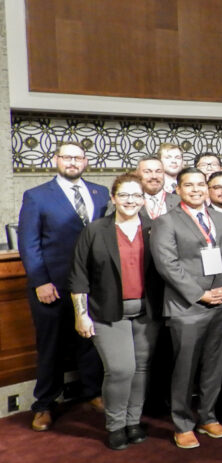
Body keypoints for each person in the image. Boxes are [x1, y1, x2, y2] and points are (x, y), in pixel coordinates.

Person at [19, 141, 108, 432]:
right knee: (51, 346)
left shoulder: (101, 192)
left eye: (78, 158)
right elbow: (29, 244)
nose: (72, 162)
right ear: (56, 159)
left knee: (90, 342)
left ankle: (92, 392)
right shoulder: (37, 196)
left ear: (86, 162)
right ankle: (44, 404)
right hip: (53, 286)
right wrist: (40, 281)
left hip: (93, 285)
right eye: (67, 157)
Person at [68, 173, 162, 450]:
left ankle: (134, 422)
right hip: (107, 311)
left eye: (136, 195)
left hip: (148, 311)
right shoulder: (96, 230)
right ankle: (116, 424)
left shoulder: (155, 228)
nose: (130, 200)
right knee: (121, 369)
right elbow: (79, 275)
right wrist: (80, 313)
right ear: (113, 198)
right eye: (124, 195)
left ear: (144, 199)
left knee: (142, 369)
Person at [151, 167, 222, 448]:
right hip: (186, 306)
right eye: (190, 185)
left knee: (213, 366)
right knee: (184, 369)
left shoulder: (221, 219)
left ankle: (208, 416)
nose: (197, 190)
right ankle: (182, 424)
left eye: (201, 184)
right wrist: (200, 294)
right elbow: (167, 266)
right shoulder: (166, 221)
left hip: (219, 303)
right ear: (179, 189)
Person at [137, 155, 180, 219]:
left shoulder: (179, 201)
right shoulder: (131, 201)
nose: (154, 176)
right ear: (137, 174)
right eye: (147, 172)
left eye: (158, 171)